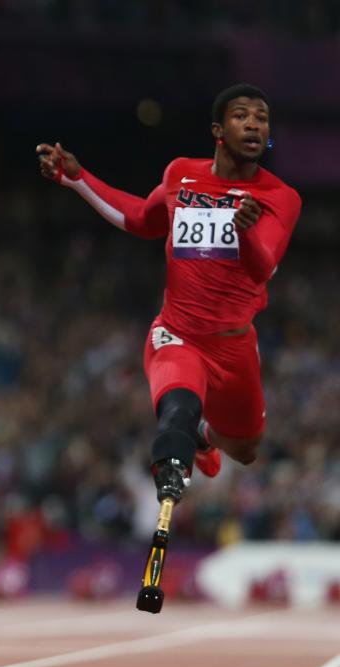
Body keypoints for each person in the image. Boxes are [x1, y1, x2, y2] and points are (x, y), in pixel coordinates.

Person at [36, 84, 301, 505]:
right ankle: (173, 468)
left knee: (246, 450)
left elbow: (263, 265)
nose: (254, 123)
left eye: (262, 118)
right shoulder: (181, 174)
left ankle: (203, 436)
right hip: (178, 336)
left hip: (234, 348)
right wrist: (78, 178)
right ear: (218, 129)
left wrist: (245, 231)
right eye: (242, 115)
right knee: (178, 410)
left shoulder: (280, 198)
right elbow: (142, 218)